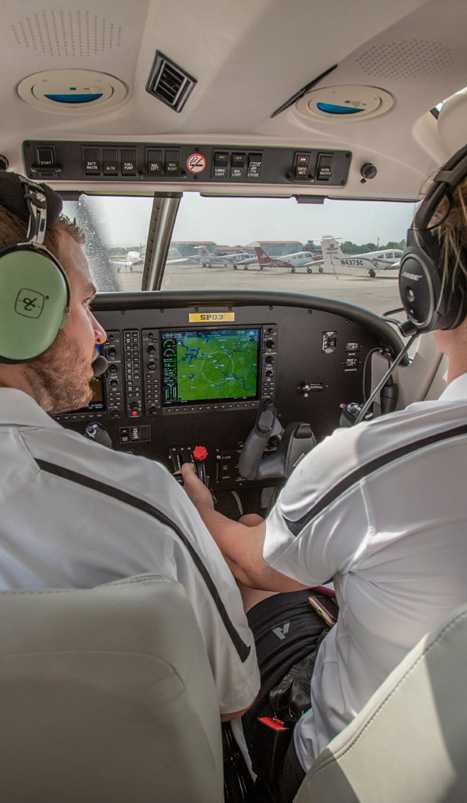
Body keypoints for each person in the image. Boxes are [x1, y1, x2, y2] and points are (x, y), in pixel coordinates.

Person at [181, 148, 467, 800]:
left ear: (431, 290)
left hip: (345, 773)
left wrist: (192, 498)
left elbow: (256, 565)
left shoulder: (372, 459)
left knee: (251, 548)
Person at [0, 172, 260, 721]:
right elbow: (234, 698)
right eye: (85, 305)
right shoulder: (145, 501)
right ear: (23, 308)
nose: (99, 334)